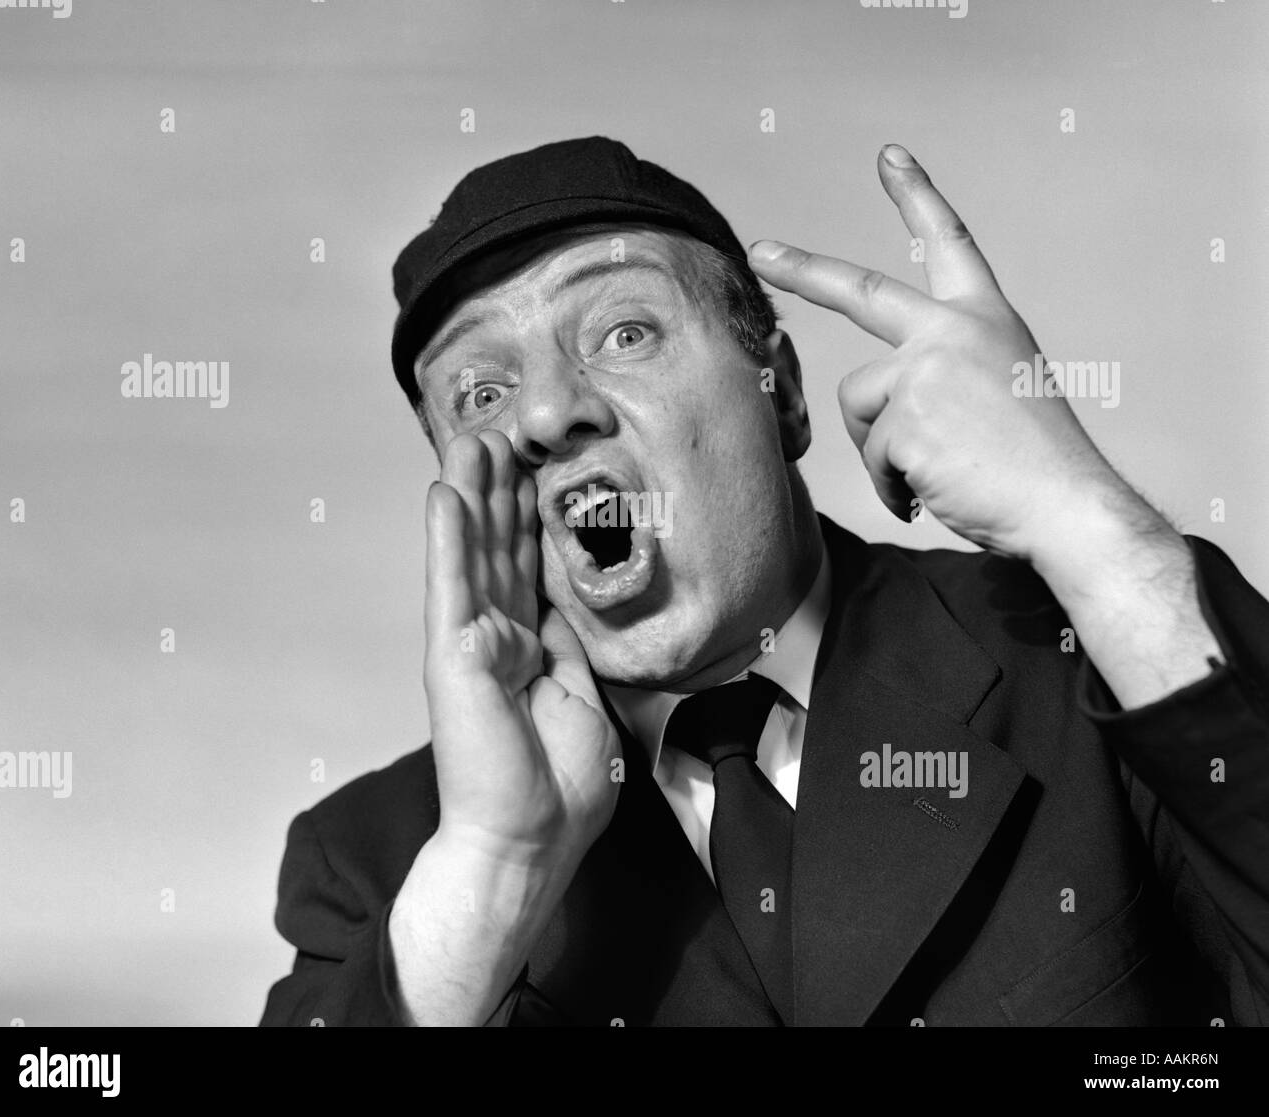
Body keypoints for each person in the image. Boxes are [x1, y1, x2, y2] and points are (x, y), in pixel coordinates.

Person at [259, 136, 1269, 1027]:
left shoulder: (1086, 659)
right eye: (481, 391)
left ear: (778, 392)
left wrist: (1089, 522)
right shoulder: (380, 861)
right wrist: (498, 867)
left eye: (623, 332)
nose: (544, 415)